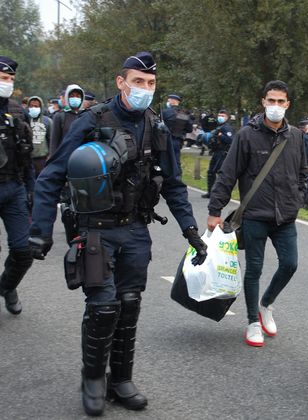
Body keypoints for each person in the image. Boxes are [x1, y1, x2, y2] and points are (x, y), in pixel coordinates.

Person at [29, 51, 207, 417]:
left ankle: (121, 379)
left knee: (129, 305)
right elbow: (51, 175)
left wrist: (191, 230)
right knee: (103, 307)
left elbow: (173, 184)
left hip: (136, 231)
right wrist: (39, 231)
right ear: (121, 82)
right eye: (138, 81)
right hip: (96, 231)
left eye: (151, 83)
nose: (145, 89)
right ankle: (93, 378)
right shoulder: (92, 120)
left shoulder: (156, 125)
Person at [207, 80, 307, 347]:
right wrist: (215, 209)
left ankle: (266, 304)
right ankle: (252, 322)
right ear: (263, 102)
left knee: (291, 264)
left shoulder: (296, 136)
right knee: (254, 269)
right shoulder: (246, 135)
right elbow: (228, 174)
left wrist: (298, 199)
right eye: (271, 101)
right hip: (255, 216)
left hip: (285, 217)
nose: (275, 106)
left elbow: (302, 174)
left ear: (288, 104)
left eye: (280, 102)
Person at [0, 56, 35, 318]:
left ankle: (7, 286)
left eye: (10, 79)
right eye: (3, 78)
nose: (7, 83)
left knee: (24, 250)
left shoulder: (18, 112)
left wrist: (32, 191)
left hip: (14, 188)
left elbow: (27, 156)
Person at [201, 109, 234, 199]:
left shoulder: (227, 127)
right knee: (211, 172)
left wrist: (220, 136)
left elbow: (230, 140)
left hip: (223, 153)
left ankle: (221, 194)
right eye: (219, 115)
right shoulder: (219, 126)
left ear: (227, 117)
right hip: (216, 152)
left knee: (220, 174)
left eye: (223, 116)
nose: (220, 117)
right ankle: (211, 192)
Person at [49, 84, 85, 156]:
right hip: (64, 158)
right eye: (72, 96)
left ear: (82, 98)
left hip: (83, 158)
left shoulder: (87, 115)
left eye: (78, 96)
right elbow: (54, 142)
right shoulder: (59, 116)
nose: (75, 98)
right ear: (67, 98)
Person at [162, 93, 193, 172]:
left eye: (168, 100)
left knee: (164, 161)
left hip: (165, 140)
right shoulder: (184, 114)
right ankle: (177, 180)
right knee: (176, 162)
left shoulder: (165, 112)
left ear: (171, 101)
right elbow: (189, 129)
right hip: (178, 141)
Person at [26, 96, 52, 177]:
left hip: (42, 158)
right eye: (31, 106)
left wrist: (50, 155)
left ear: (40, 107)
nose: (33, 108)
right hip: (27, 158)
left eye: (36, 106)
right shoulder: (24, 120)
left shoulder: (48, 121)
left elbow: (51, 140)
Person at [298, 117, 308, 210]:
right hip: (305, 165)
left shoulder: (294, 135)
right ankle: (305, 204)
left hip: (295, 162)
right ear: (306, 127)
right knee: (307, 184)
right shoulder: (307, 138)